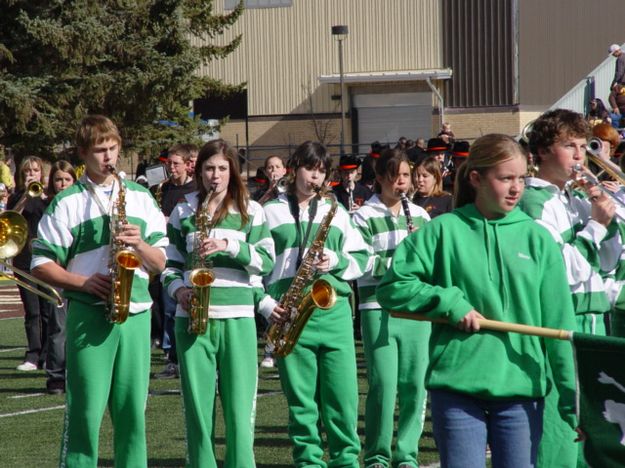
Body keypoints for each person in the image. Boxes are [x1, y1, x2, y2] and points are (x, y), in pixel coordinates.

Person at [377, 133, 577, 468]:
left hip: (521, 392)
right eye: (505, 179)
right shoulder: (444, 230)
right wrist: (449, 302)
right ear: (476, 178)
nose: (516, 188)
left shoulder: (538, 239)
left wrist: (574, 403)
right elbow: (393, 288)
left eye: (521, 179)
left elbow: (560, 326)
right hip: (456, 388)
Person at [31, 114, 168, 467]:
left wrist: (140, 245)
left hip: (136, 314)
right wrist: (84, 282)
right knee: (85, 416)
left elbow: (161, 262)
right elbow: (40, 263)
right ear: (82, 154)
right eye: (99, 151)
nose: (109, 158)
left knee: (132, 416)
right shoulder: (68, 202)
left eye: (113, 149)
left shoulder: (140, 197)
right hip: (89, 313)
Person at [161, 138, 274, 467]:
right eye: (209, 168)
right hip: (193, 318)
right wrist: (178, 290)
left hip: (238, 318)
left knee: (239, 412)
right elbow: (169, 265)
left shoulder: (252, 210)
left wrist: (228, 245)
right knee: (197, 411)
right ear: (199, 170)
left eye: (222, 168)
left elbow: (266, 261)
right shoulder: (184, 209)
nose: (215, 175)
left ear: (233, 171)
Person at [518, 108, 619, 467]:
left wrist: (609, 221)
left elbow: (607, 264)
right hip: (565, 317)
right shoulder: (534, 202)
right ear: (542, 151)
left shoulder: (575, 198)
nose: (580, 155)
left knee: (594, 426)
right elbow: (559, 271)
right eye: (569, 146)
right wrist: (595, 228)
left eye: (582, 145)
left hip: (594, 316)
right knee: (563, 424)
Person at [260, 141, 371, 467]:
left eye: (322, 172)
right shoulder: (268, 210)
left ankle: (346, 461)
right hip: (289, 311)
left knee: (342, 399)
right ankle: (308, 462)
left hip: (332, 310)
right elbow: (258, 264)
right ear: (294, 168)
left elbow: (363, 258)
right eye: (311, 169)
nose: (316, 178)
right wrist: (266, 303)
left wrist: (334, 259)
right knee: (301, 403)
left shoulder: (335, 211)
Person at [352, 148, 431, 468]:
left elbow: (432, 266)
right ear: (381, 177)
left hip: (416, 310)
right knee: (383, 385)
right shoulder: (362, 216)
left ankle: (407, 453)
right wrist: (403, 257)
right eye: (396, 176)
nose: (403, 183)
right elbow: (361, 264)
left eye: (406, 176)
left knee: (415, 385)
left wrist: (420, 255)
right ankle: (377, 454)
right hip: (377, 306)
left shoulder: (422, 216)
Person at [155, 143, 197, 378]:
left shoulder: (195, 189)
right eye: (169, 163)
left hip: (186, 254)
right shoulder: (164, 188)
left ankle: (186, 356)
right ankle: (171, 358)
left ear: (187, 164)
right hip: (165, 250)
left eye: (175, 163)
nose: (171, 168)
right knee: (168, 308)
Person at [9, 156, 51, 372]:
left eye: (35, 171)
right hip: (24, 259)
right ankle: (32, 355)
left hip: (45, 259)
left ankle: (46, 355)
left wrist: (43, 197)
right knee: (32, 311)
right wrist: (25, 196)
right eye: (27, 171)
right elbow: (9, 219)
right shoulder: (16, 197)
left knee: (47, 310)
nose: (31, 174)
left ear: (41, 174)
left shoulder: (48, 199)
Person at [41, 160, 77, 394]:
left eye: (67, 179)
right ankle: (55, 376)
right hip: (58, 273)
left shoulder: (79, 205)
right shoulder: (47, 206)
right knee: (58, 326)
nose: (62, 184)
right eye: (58, 179)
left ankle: (77, 373)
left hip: (80, 271)